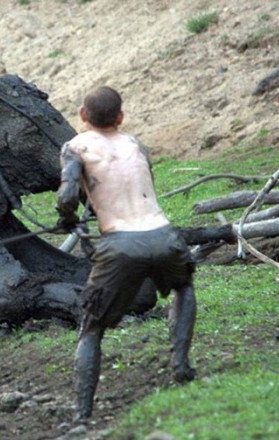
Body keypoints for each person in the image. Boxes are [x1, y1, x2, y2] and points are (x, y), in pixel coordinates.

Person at [55, 86, 197, 420]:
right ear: (121, 117)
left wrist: (68, 220)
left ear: (82, 115)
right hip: (164, 235)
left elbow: (66, 196)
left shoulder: (75, 147)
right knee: (183, 287)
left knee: (91, 328)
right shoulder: (136, 144)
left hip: (121, 244)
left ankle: (82, 414)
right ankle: (180, 364)